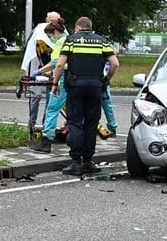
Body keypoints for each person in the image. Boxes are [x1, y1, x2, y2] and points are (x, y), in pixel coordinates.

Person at [51, 16, 119, 175]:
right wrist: (106, 79)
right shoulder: (102, 41)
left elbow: (60, 64)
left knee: (75, 122)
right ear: (90, 27)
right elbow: (115, 63)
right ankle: (88, 162)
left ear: (78, 27)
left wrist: (55, 84)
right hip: (95, 86)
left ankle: (75, 162)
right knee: (91, 123)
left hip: (75, 86)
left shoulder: (71, 40)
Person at [25, 22, 64, 137]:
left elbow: (55, 63)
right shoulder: (69, 39)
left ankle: (47, 138)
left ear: (56, 32)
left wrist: (39, 71)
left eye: (50, 36)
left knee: (52, 109)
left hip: (62, 78)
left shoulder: (60, 42)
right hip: (74, 78)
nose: (50, 39)